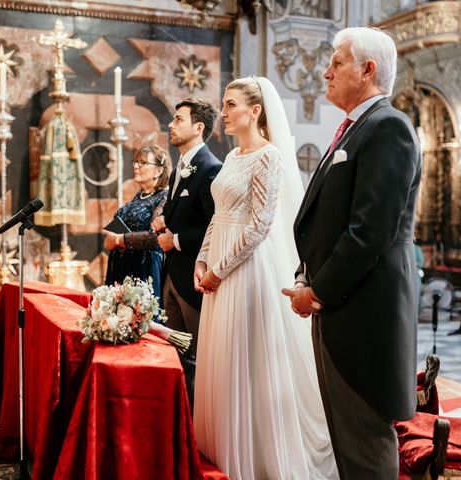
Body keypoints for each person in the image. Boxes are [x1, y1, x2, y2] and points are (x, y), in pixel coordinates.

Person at [283, 27, 422, 478]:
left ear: (368, 69)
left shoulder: (388, 127)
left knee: (363, 437)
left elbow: (369, 231)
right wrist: (309, 276)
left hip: (365, 312)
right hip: (340, 305)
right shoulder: (355, 128)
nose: (326, 71)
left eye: (337, 62)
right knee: (344, 434)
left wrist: (317, 290)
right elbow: (330, 220)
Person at [193, 77, 337, 479]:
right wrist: (202, 260)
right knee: (220, 356)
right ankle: (220, 446)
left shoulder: (269, 157)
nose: (223, 112)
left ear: (255, 110)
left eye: (230, 104)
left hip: (245, 270)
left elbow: (259, 226)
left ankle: (254, 453)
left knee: (247, 359)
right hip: (217, 267)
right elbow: (218, 214)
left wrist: (220, 269)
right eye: (224, 105)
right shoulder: (233, 157)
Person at [151, 98, 222, 406]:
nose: (171, 124)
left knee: (196, 358)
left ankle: (197, 425)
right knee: (174, 356)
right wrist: (166, 218)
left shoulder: (211, 169)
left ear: (198, 127)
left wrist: (175, 239)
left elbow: (214, 225)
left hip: (193, 280)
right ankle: (179, 419)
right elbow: (181, 209)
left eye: (178, 119)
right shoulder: (179, 167)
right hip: (171, 277)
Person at [104, 146, 171, 297]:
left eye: (143, 163)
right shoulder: (138, 196)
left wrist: (118, 239)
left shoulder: (164, 198)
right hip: (123, 267)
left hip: (143, 270)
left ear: (159, 171)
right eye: (135, 162)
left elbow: (155, 238)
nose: (135, 166)